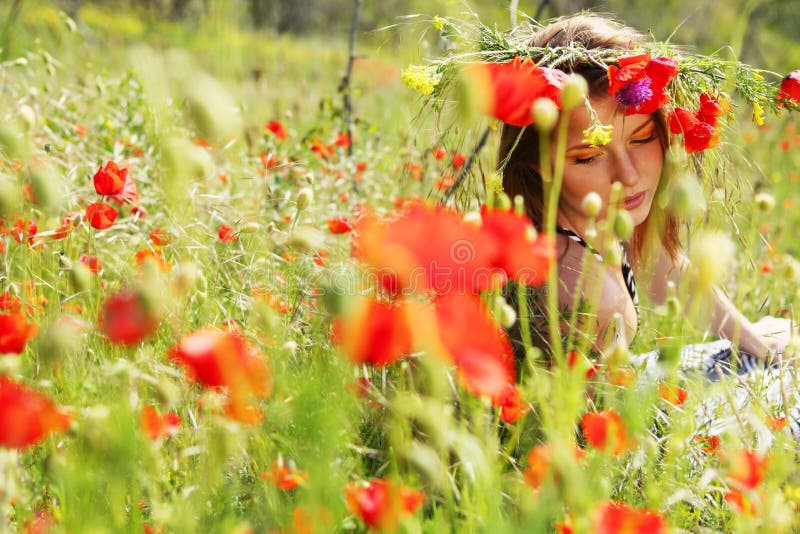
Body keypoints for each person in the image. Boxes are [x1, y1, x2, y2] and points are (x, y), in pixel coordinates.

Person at [495, 14, 794, 381]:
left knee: (783, 344)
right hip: (603, 421)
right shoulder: (581, 288)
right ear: (538, 164)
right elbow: (573, 429)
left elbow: (663, 266)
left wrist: (758, 344)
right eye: (588, 156)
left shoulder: (593, 226)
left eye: (642, 139)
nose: (630, 175)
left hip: (621, 392)